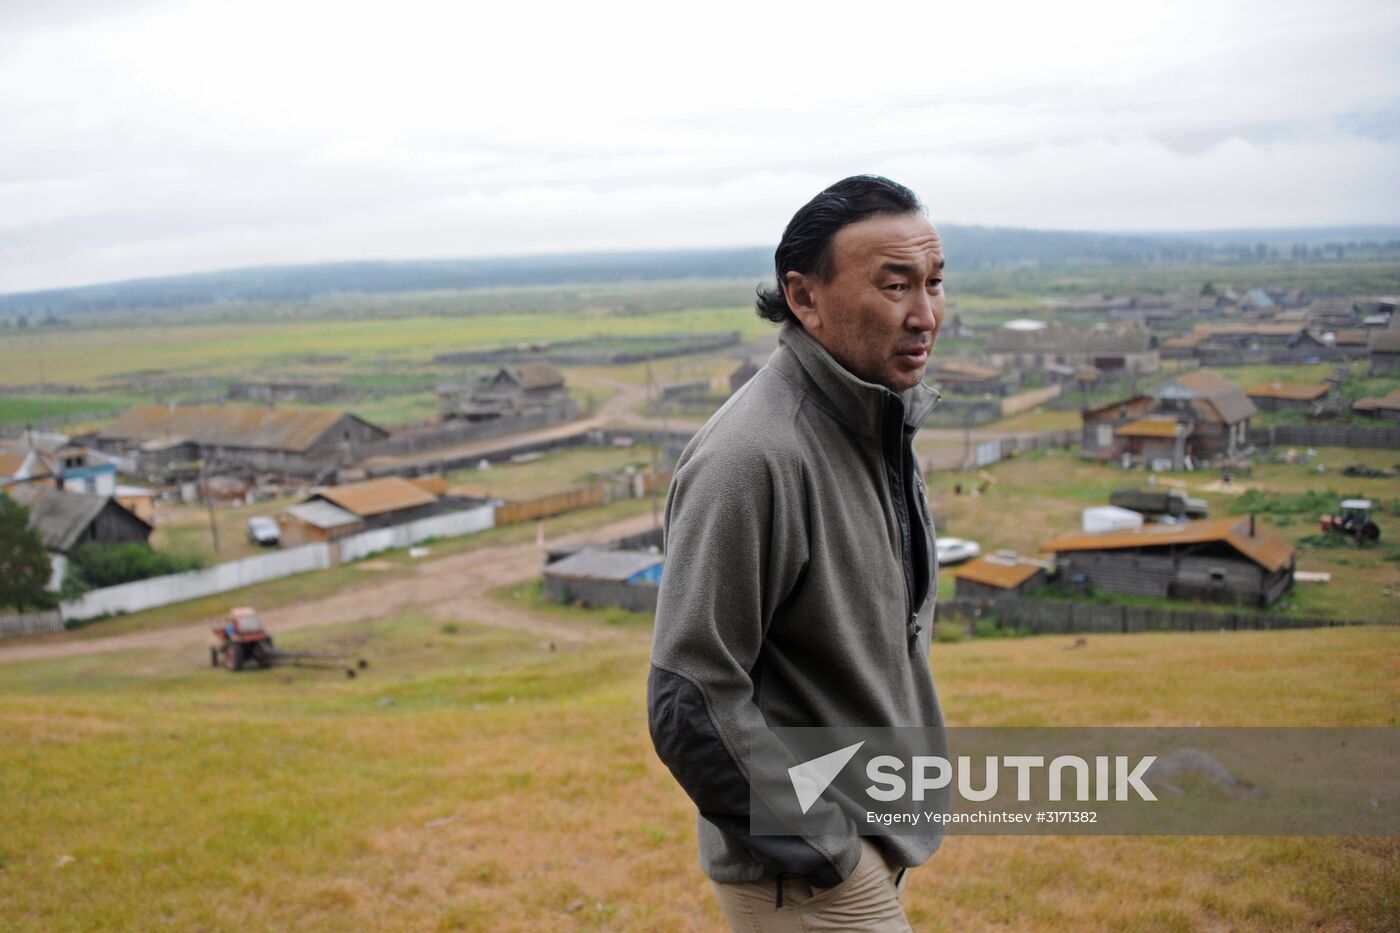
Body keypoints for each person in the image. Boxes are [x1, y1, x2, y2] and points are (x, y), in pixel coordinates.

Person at [647, 175, 947, 932]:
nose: (925, 315)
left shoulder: (871, 421)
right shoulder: (753, 456)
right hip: (808, 875)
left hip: (863, 838)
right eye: (894, 285)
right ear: (804, 298)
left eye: (934, 283)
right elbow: (691, 699)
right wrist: (826, 847)